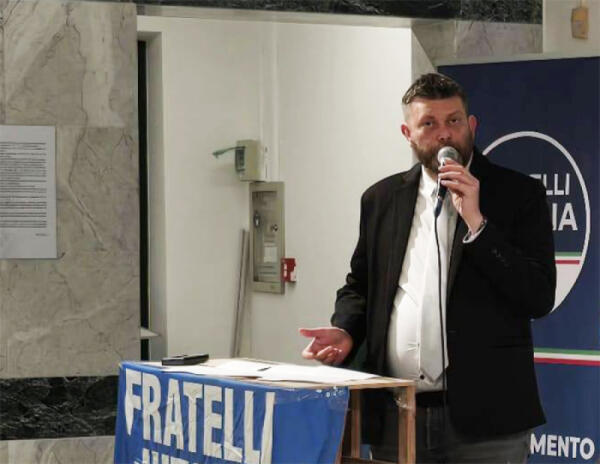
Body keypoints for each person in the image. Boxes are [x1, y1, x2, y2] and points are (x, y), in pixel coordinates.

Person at [299, 73, 556, 463]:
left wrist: (478, 224)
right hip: (399, 413)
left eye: (454, 121)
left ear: (472, 125)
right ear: (408, 133)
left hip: (489, 420)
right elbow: (361, 286)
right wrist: (346, 329)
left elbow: (537, 296)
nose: (444, 134)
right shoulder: (381, 199)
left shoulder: (518, 194)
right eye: (429, 124)